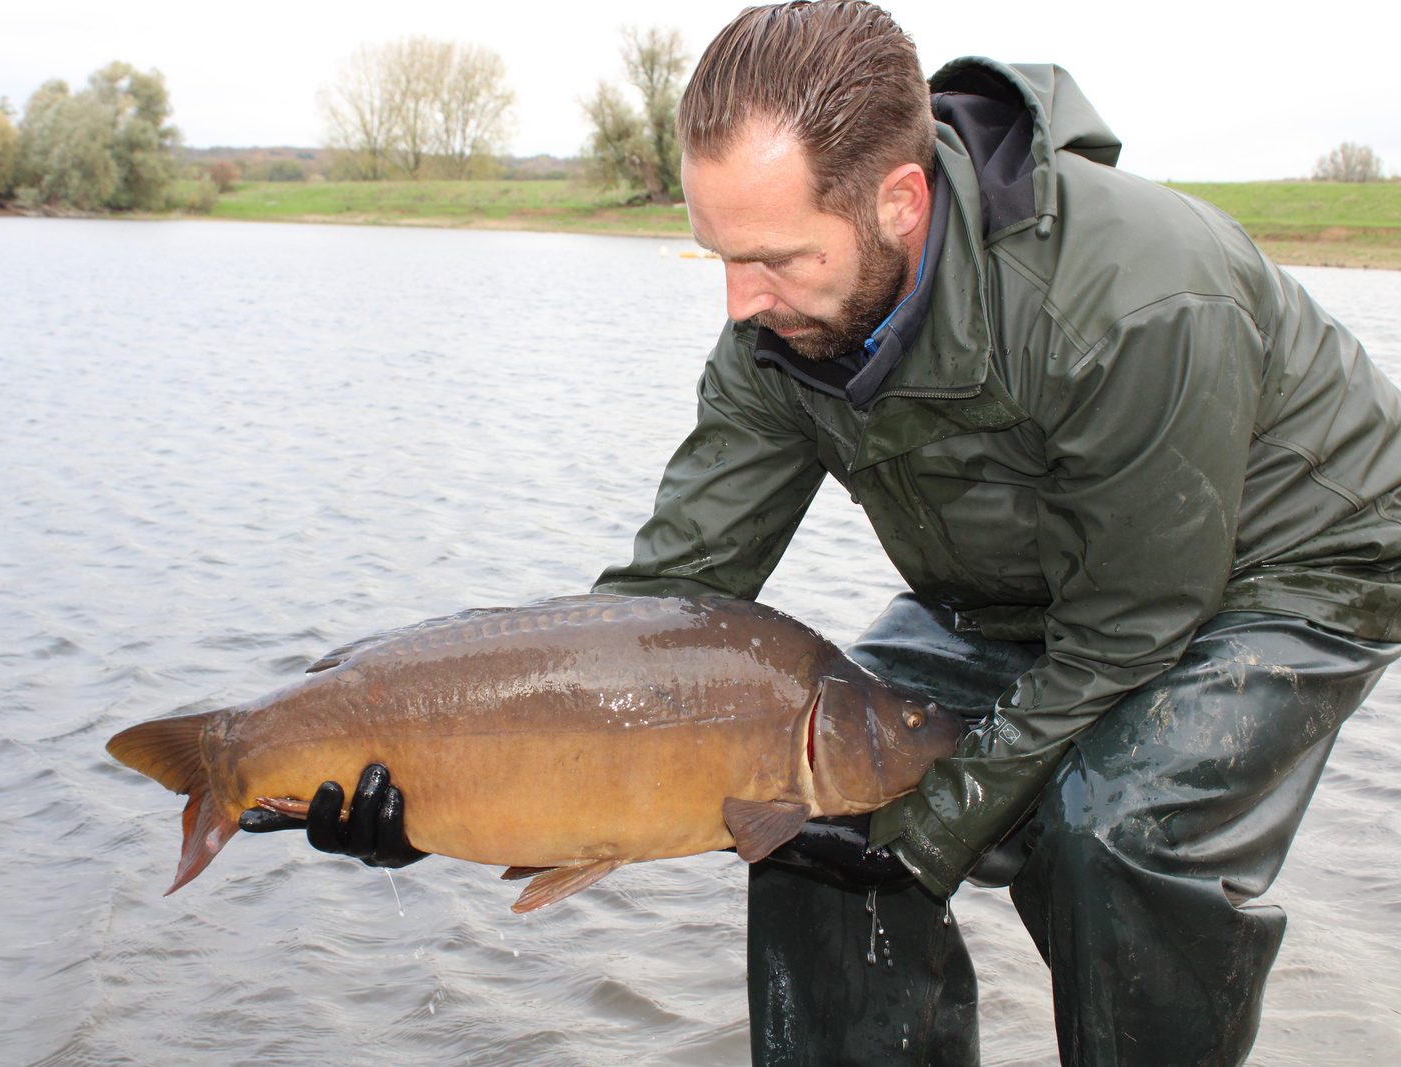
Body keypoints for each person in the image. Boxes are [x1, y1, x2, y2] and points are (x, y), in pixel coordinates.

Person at [242, 2, 1401, 1063]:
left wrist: (930, 825)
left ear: (898, 201)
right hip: (1017, 588)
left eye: (777, 257)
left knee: (1115, 829)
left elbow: (1129, 623)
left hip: (1281, 561)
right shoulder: (773, 330)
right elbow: (664, 611)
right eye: (721, 254)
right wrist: (443, 791)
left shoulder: (1137, 297)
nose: (739, 301)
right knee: (806, 812)